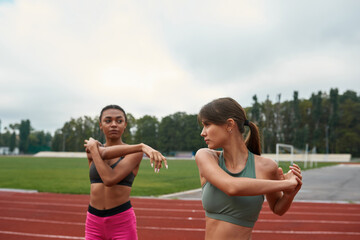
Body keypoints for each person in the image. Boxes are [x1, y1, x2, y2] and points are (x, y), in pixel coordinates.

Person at [195, 97, 302, 240]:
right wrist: (287, 183)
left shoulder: (267, 166)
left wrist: (289, 194)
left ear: (229, 124)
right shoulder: (205, 156)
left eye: (207, 125)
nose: (203, 132)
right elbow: (231, 187)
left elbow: (278, 208)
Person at [83, 104, 167, 240]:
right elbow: (104, 153)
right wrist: (141, 146)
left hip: (121, 221)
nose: (114, 125)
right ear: (100, 125)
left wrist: (140, 147)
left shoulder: (134, 153)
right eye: (108, 121)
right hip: (93, 221)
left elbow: (109, 179)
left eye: (119, 121)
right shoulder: (94, 150)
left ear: (125, 125)